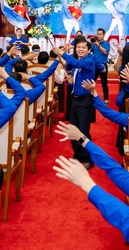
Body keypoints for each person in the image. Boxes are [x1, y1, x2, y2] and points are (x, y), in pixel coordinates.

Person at [52, 40, 96, 169]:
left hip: (85, 100)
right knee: (72, 129)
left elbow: (76, 62)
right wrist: (71, 82)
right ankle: (78, 154)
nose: (80, 49)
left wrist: (61, 52)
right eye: (78, 47)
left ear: (88, 50)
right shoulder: (77, 65)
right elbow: (75, 80)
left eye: (83, 47)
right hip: (75, 100)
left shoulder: (88, 61)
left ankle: (88, 159)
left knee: (83, 131)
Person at [91, 28, 110, 103]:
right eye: (97, 34)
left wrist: (98, 45)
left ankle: (106, 98)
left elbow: (105, 52)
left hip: (103, 65)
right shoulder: (94, 44)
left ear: (103, 35)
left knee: (104, 83)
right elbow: (89, 51)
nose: (98, 36)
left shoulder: (106, 44)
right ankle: (90, 96)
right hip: (95, 65)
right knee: (92, 81)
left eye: (100, 34)